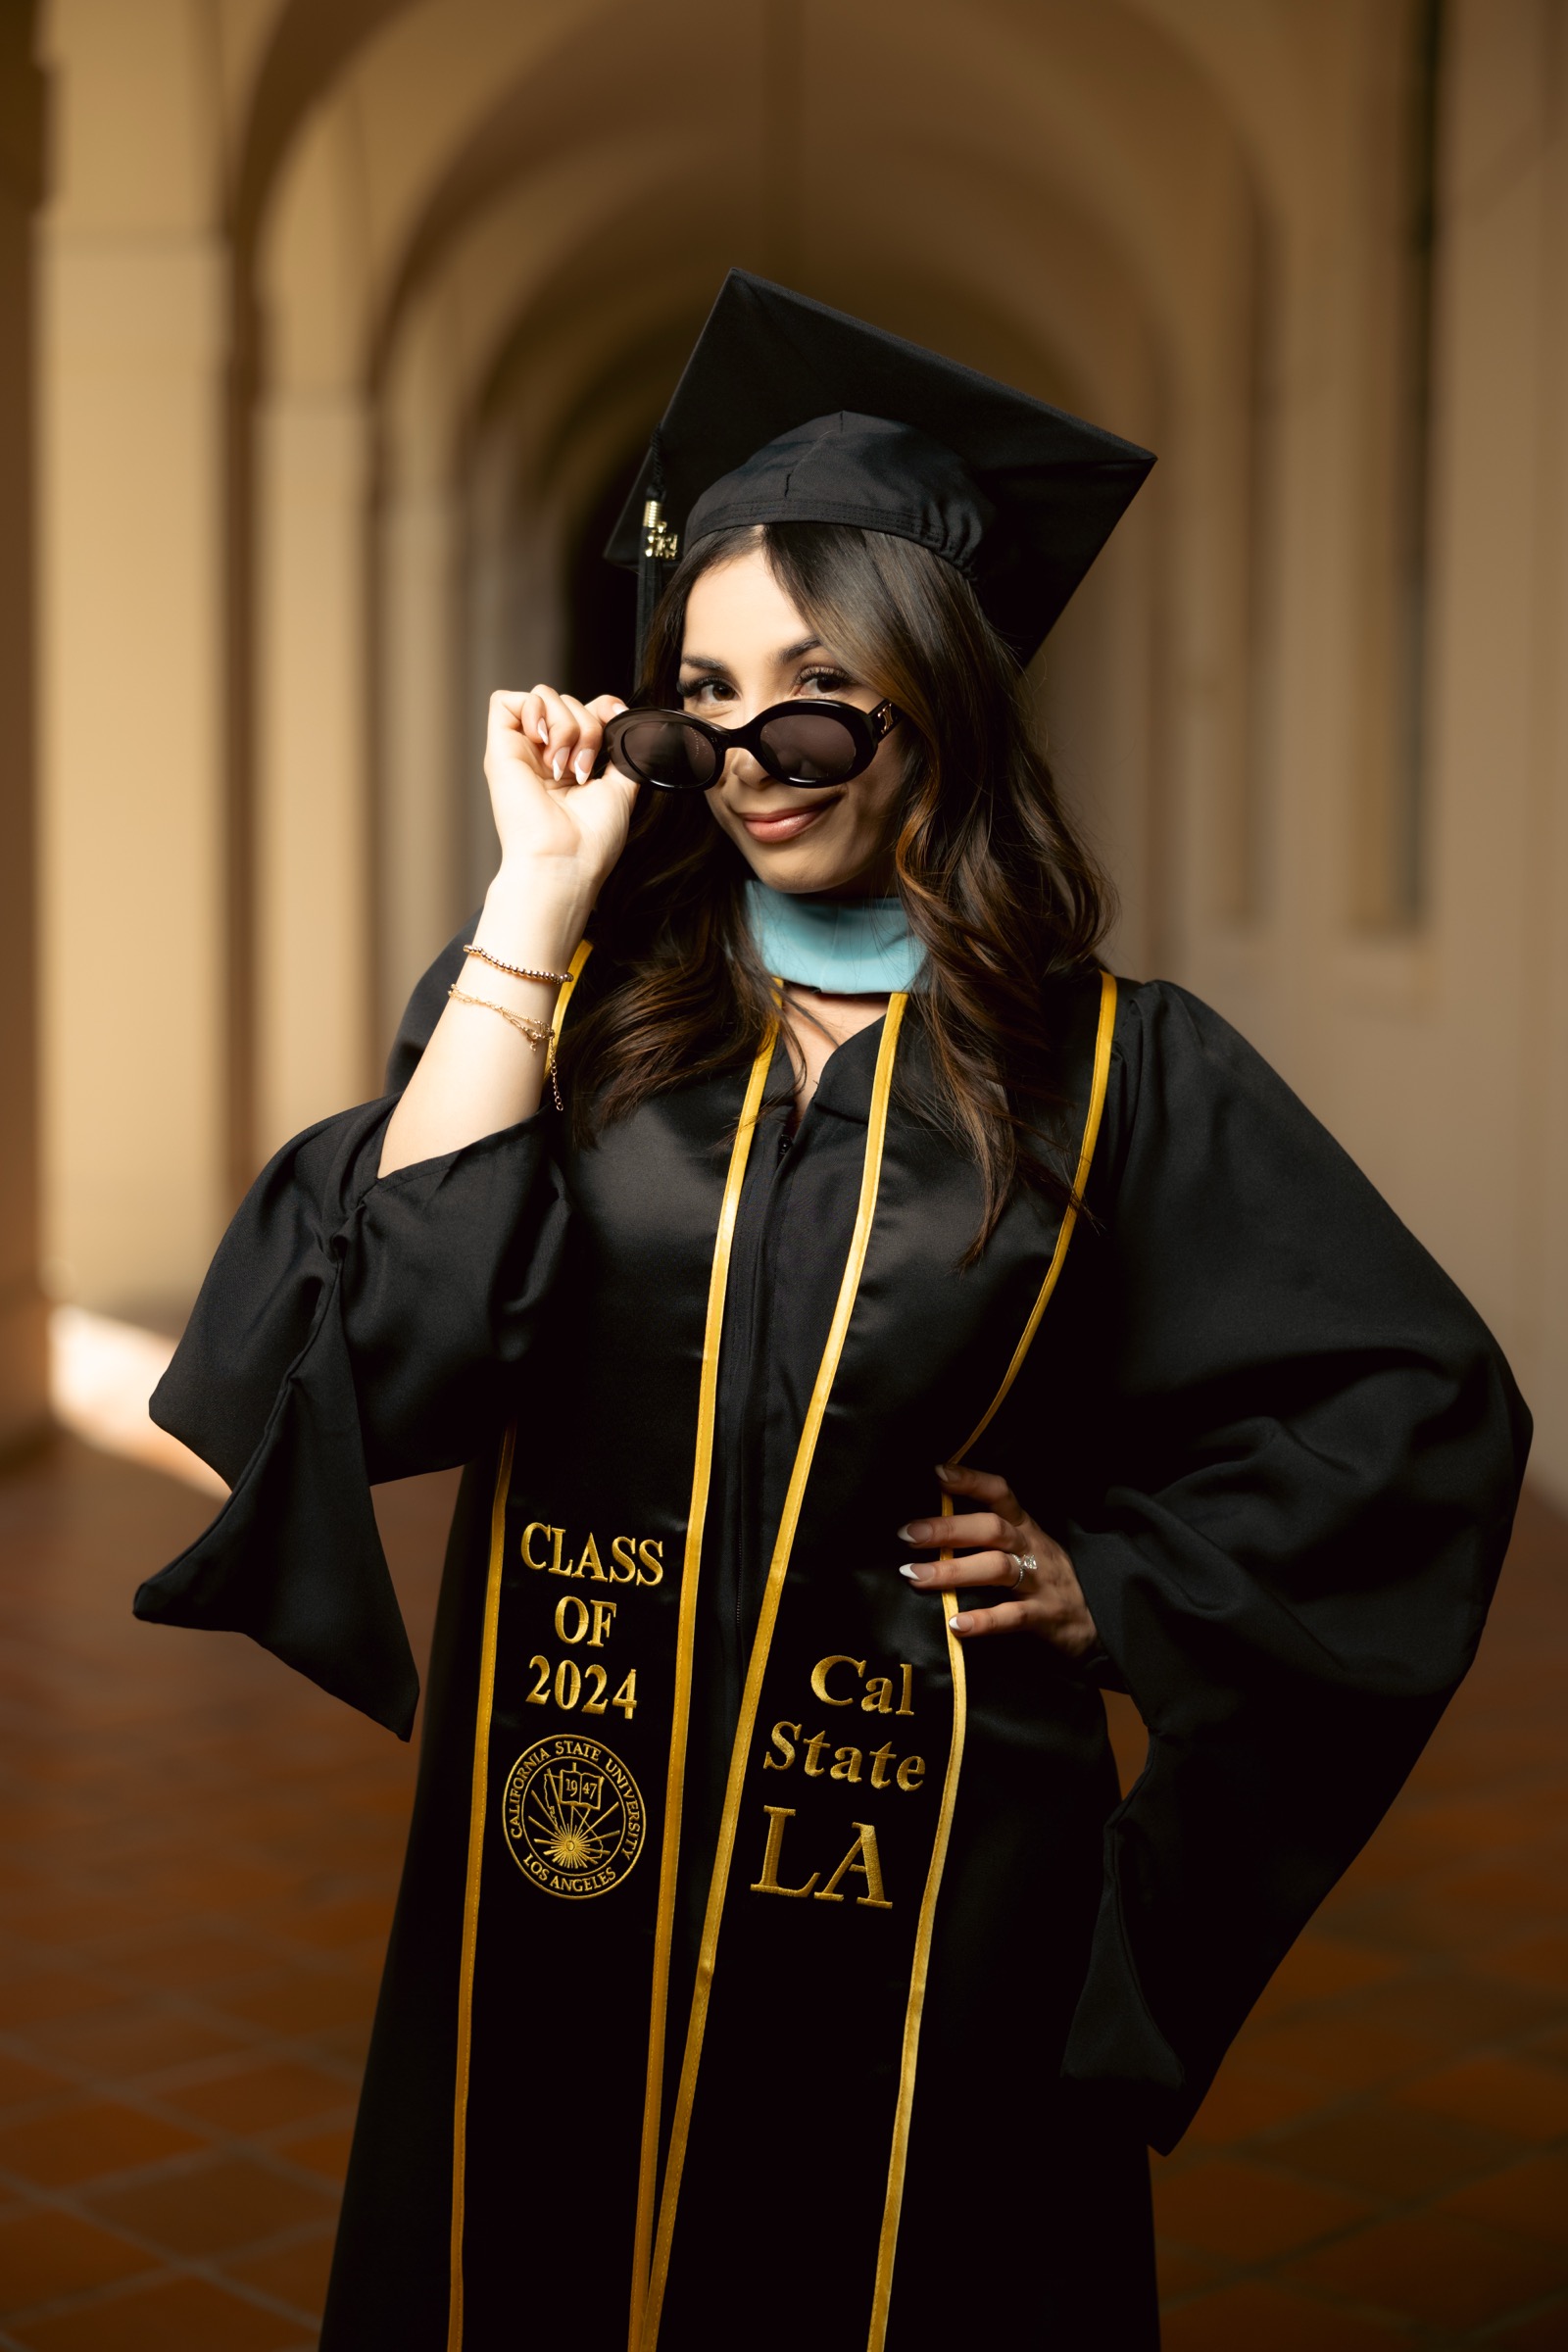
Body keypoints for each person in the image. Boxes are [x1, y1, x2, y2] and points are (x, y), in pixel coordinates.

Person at [136, 273, 1530, 2352]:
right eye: (700, 699)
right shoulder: (582, 1013)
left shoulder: (1117, 1072)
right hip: (562, 1803)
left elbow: (1408, 1406)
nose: (750, 757)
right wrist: (532, 899)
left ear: (938, 700)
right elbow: (393, 1357)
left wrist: (1121, 1582)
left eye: (812, 694)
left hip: (927, 1838)